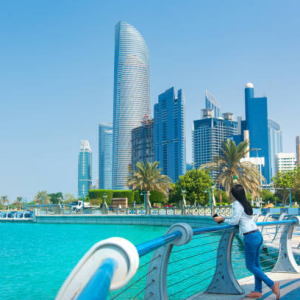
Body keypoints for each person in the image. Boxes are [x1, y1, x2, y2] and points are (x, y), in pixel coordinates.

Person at [213, 184, 280, 299]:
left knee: (250, 266)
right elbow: (242, 220)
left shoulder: (237, 204)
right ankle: (258, 291)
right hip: (257, 234)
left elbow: (234, 222)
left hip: (250, 237)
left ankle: (272, 284)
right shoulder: (246, 203)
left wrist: (222, 219)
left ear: (234, 194)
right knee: (256, 265)